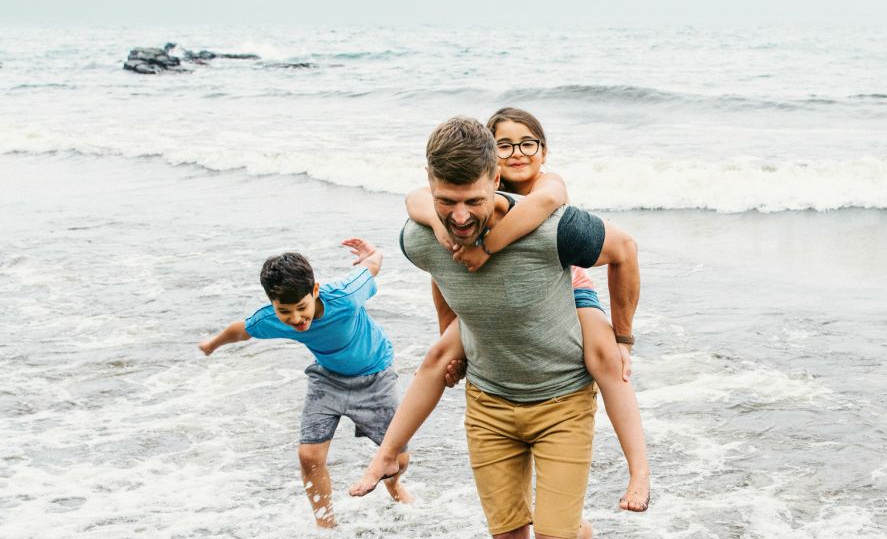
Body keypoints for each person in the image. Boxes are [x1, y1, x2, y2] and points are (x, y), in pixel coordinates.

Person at [350, 116, 641, 539]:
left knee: (604, 356)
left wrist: (488, 245)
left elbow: (553, 209)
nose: (517, 153)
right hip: (487, 304)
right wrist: (457, 333)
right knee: (438, 356)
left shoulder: (548, 191)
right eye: (505, 145)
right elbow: (437, 257)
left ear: (543, 151)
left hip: (563, 286)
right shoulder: (456, 197)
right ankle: (388, 453)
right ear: (492, 159)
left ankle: (638, 471)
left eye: (529, 144)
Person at [199, 239, 411, 528]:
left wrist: (372, 253)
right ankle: (325, 523)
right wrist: (213, 344)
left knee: (399, 458)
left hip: (376, 377)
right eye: (284, 312)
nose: (296, 319)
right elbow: (241, 330)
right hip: (327, 379)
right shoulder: (272, 318)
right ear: (273, 305)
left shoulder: (346, 297)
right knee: (308, 455)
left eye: (301, 307)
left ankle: (394, 486)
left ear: (315, 290)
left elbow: (372, 267)